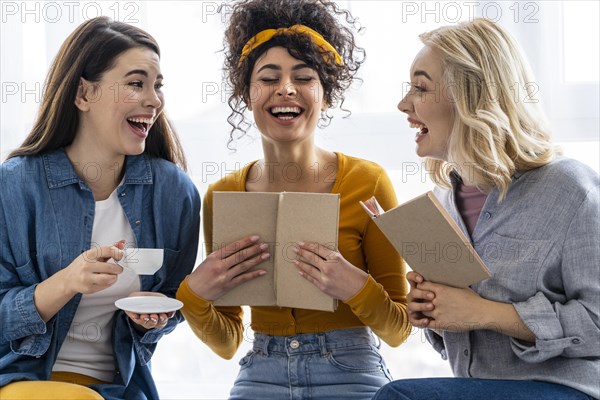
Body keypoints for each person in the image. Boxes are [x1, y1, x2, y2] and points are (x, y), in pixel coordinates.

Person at [175, 0, 411, 398]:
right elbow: (229, 341)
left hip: (352, 369)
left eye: (303, 77)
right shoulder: (222, 195)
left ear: (326, 94)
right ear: (246, 93)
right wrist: (192, 297)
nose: (285, 88)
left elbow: (398, 329)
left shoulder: (368, 182)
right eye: (268, 78)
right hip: (261, 370)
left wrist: (354, 287)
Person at [373, 18, 599, 400]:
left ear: (470, 98)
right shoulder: (445, 201)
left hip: (567, 389)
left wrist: (484, 312)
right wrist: (436, 312)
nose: (403, 104)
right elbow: (462, 339)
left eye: (420, 88)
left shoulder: (568, 189)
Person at [0, 17, 200, 400]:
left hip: (121, 389)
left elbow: (173, 302)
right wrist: (66, 282)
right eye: (135, 83)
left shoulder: (174, 193)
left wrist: (153, 319)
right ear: (84, 95)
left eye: (157, 86)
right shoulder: (14, 186)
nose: (154, 100)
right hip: (21, 383)